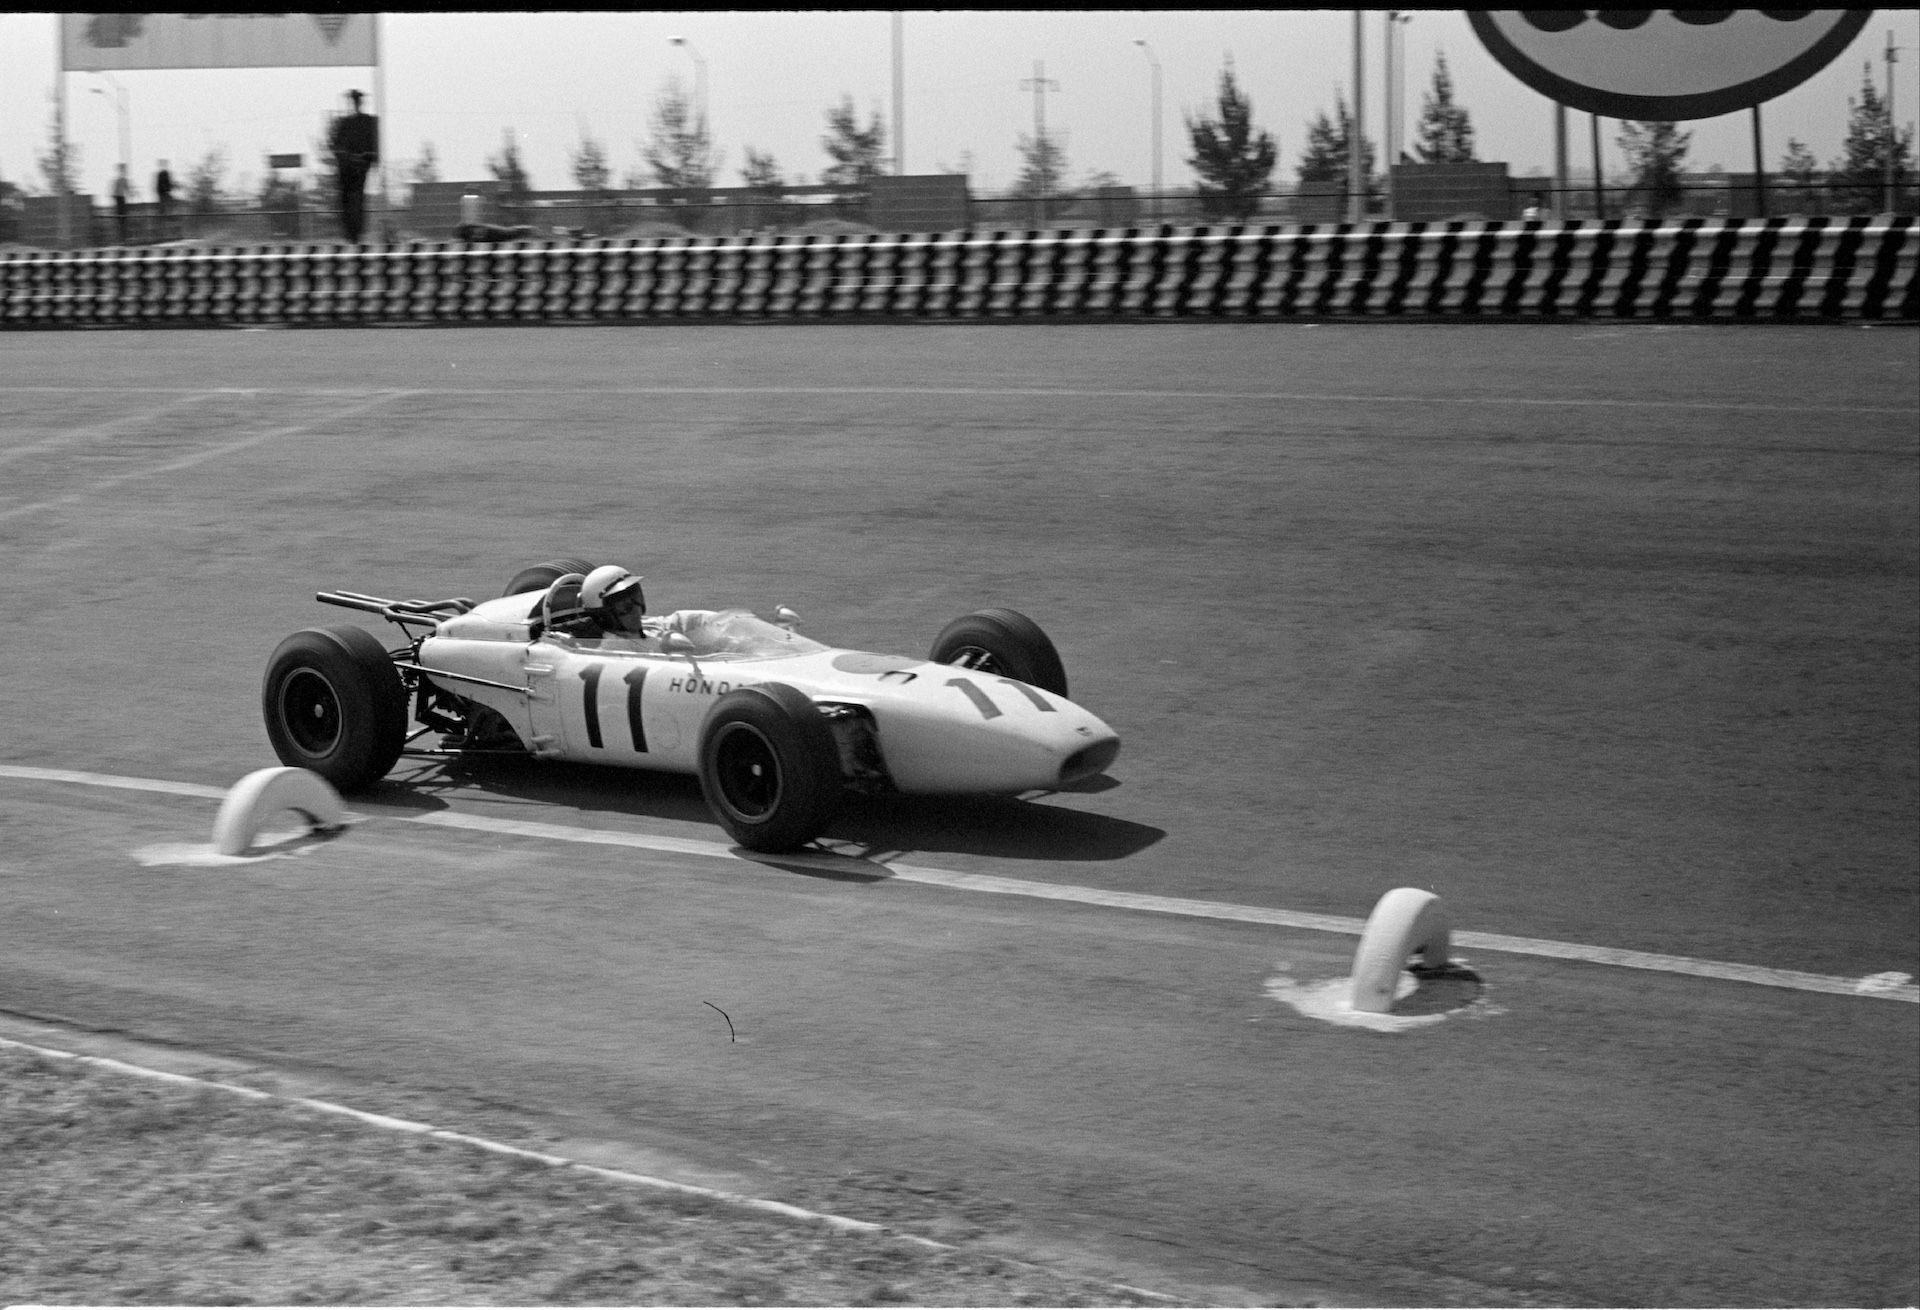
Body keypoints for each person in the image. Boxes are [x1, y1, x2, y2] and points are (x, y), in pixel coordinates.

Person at [328, 89, 380, 243]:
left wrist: (367, 158)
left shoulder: (368, 122)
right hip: (346, 169)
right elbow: (335, 145)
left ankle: (355, 232)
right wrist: (343, 156)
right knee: (347, 200)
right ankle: (351, 232)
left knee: (356, 200)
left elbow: (374, 147)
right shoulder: (344, 123)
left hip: (359, 168)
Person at [578, 566, 648, 638]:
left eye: (637, 598)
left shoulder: (656, 627)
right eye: (624, 606)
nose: (636, 609)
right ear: (603, 616)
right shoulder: (613, 647)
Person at [111, 164, 132, 245]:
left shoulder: (119, 180)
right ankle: (122, 238)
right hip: (120, 199)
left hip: (120, 199)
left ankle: (122, 238)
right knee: (122, 219)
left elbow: (126, 190)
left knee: (121, 220)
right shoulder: (121, 180)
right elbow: (127, 190)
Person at [153, 160, 174, 241]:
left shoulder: (165, 173)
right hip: (163, 194)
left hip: (164, 194)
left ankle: (166, 217)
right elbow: (161, 185)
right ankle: (164, 220)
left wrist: (168, 190)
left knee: (165, 209)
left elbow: (167, 183)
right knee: (163, 210)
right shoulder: (161, 174)